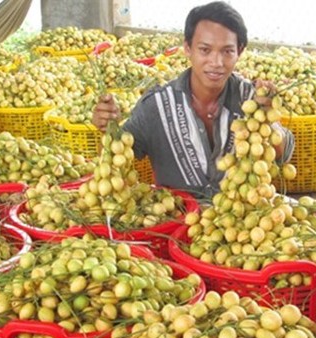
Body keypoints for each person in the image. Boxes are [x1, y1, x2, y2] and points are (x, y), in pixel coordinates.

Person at [91, 1, 294, 199]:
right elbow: (114, 162)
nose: (216, 62)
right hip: (177, 223)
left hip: (240, 224)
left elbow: (282, 155)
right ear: (188, 48)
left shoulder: (251, 100)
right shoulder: (158, 106)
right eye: (205, 50)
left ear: (239, 51)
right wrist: (108, 129)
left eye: (227, 51)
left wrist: (267, 120)